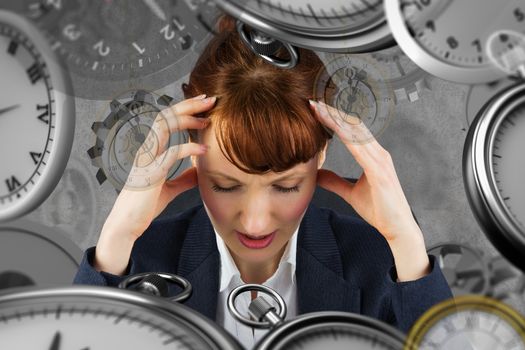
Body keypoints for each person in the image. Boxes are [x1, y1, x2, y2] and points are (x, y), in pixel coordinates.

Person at [74, 14, 453, 349]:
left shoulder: (379, 264)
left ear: (320, 156)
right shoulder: (136, 264)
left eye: (285, 186)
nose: (255, 223)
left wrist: (405, 243)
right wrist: (116, 240)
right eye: (226, 185)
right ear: (192, 149)